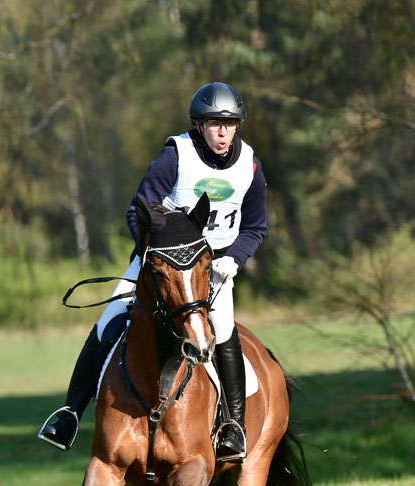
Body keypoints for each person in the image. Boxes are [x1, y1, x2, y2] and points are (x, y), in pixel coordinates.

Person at [38, 81, 267, 460]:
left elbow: (256, 226)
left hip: (213, 269)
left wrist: (234, 259)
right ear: (199, 126)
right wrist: (151, 256)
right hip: (158, 263)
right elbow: (137, 211)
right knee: (108, 317)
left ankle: (233, 428)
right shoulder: (175, 157)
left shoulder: (251, 166)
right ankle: (69, 414)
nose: (222, 132)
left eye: (229, 125)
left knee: (223, 329)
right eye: (214, 124)